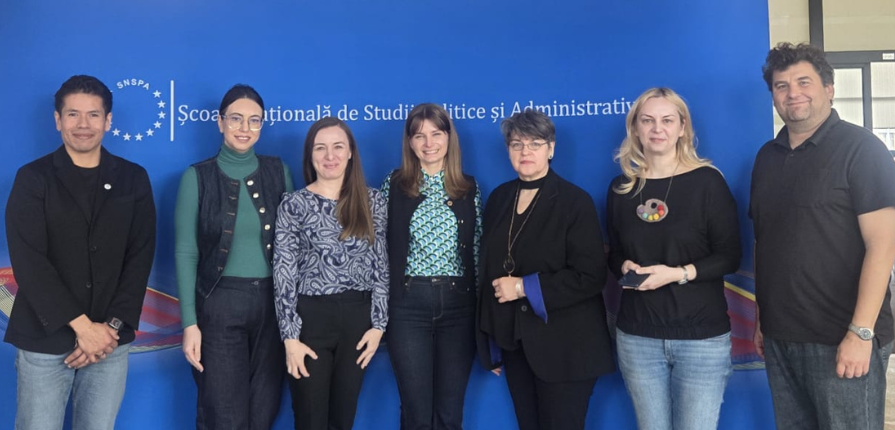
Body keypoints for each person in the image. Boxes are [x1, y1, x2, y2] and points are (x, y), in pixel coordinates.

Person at [750, 42, 895, 430]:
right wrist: (763, 317)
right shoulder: (766, 158)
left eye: (804, 82)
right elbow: (765, 241)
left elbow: (883, 245)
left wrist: (861, 333)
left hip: (842, 337)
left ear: (829, 89)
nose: (792, 93)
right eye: (781, 86)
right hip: (781, 336)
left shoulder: (862, 149)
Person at [4, 75, 156, 430]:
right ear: (58, 120)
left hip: (108, 343)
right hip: (45, 339)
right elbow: (29, 261)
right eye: (73, 114)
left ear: (108, 120)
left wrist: (108, 330)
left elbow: (140, 257)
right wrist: (82, 328)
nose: (83, 124)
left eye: (93, 114)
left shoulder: (133, 178)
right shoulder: (33, 178)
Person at [606, 87, 741, 430]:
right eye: (647, 120)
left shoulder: (708, 182)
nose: (657, 129)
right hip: (637, 337)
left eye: (667, 120)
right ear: (635, 128)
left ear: (683, 128)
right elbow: (615, 252)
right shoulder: (621, 188)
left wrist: (678, 273)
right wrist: (623, 265)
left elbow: (730, 256)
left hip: (701, 338)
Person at [476, 110, 614, 430]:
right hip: (517, 344)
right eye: (517, 144)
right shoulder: (499, 198)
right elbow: (488, 272)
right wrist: (491, 340)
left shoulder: (574, 201)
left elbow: (590, 275)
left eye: (535, 143)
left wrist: (523, 287)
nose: (525, 151)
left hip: (567, 347)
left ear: (551, 148)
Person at [175, 84, 293, 429]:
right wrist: (190, 324)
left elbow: (291, 245)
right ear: (220, 122)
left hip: (273, 306)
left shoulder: (279, 172)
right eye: (236, 119)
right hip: (219, 306)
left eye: (254, 120)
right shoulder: (196, 177)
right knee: (224, 415)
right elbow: (185, 252)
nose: (245, 128)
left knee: (263, 413)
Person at [273, 117, 389, 430]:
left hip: (358, 320)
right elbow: (284, 271)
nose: (330, 156)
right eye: (320, 148)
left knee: (343, 419)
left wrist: (379, 325)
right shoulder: (294, 204)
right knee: (310, 418)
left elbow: (381, 265)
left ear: (350, 152)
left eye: (338, 147)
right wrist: (290, 336)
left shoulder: (373, 201)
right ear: (310, 155)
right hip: (310, 320)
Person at [381, 103, 482, 430]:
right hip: (408, 305)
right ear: (409, 142)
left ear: (449, 137)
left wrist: (485, 321)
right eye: (419, 136)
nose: (429, 143)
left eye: (436, 134)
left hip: (459, 307)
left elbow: (477, 252)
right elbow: (380, 249)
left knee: (449, 413)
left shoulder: (469, 187)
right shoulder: (394, 184)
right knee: (416, 413)